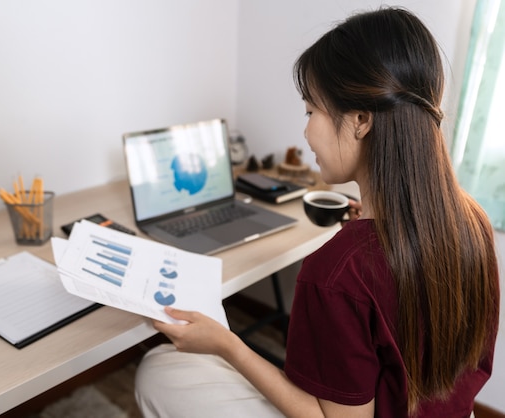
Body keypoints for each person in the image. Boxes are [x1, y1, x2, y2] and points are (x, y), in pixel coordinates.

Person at [134, 7, 500, 418]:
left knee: (158, 369)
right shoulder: (473, 220)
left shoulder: (338, 270)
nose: (306, 131)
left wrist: (227, 344)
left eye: (311, 111)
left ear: (361, 120)